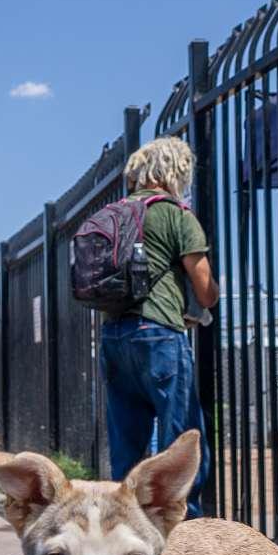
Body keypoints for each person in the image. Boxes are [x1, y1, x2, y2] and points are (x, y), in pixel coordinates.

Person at [101, 136, 217, 520]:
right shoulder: (175, 214)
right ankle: (187, 529)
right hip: (159, 333)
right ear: (176, 171)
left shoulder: (115, 213)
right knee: (182, 440)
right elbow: (205, 290)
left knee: (127, 444)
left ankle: (125, 526)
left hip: (113, 335)